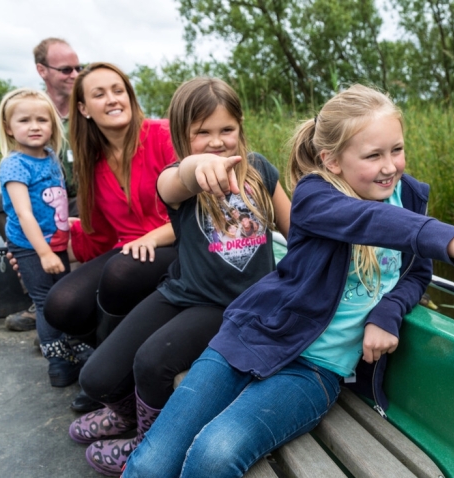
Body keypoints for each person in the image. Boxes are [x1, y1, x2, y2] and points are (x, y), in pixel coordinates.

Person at [122, 84, 454, 477]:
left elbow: (416, 271)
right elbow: (369, 220)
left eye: (396, 150)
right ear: (332, 160)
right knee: (155, 461)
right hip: (251, 336)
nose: (389, 168)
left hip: (316, 369)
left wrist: (388, 311)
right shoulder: (314, 197)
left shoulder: (411, 196)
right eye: (372, 156)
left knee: (213, 456)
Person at [67, 77, 291, 476]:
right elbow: (180, 179)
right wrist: (196, 166)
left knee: (153, 362)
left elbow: (298, 234)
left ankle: (146, 440)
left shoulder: (259, 172)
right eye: (202, 133)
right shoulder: (174, 178)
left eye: (226, 129)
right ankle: (128, 416)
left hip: (234, 304)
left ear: (240, 127)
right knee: (95, 378)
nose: (217, 141)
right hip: (183, 290)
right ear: (181, 138)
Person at [41, 62, 178, 412]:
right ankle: (108, 362)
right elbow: (97, 236)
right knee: (62, 303)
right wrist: (44, 245)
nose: (113, 99)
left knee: (122, 270)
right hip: (126, 249)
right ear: (84, 109)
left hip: (179, 243)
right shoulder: (92, 160)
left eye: (118, 90)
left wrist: (150, 238)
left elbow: (199, 211)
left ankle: (107, 376)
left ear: (130, 97)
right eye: (99, 94)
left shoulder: (162, 134)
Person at [0, 38, 82, 333]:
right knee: (0, 205)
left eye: (78, 68)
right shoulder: (29, 109)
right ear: (42, 70)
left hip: (79, 196)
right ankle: (33, 278)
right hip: (45, 204)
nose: (74, 74)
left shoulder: (85, 112)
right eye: (66, 69)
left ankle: (56, 295)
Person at [0, 88, 78, 386]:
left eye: (42, 120)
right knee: (46, 302)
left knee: (66, 299)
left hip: (55, 242)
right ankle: (57, 361)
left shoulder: (51, 157)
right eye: (24, 120)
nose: (34, 126)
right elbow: (24, 213)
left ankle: (73, 346)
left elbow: (55, 203)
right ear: (9, 127)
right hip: (31, 247)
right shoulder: (14, 164)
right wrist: (43, 252)